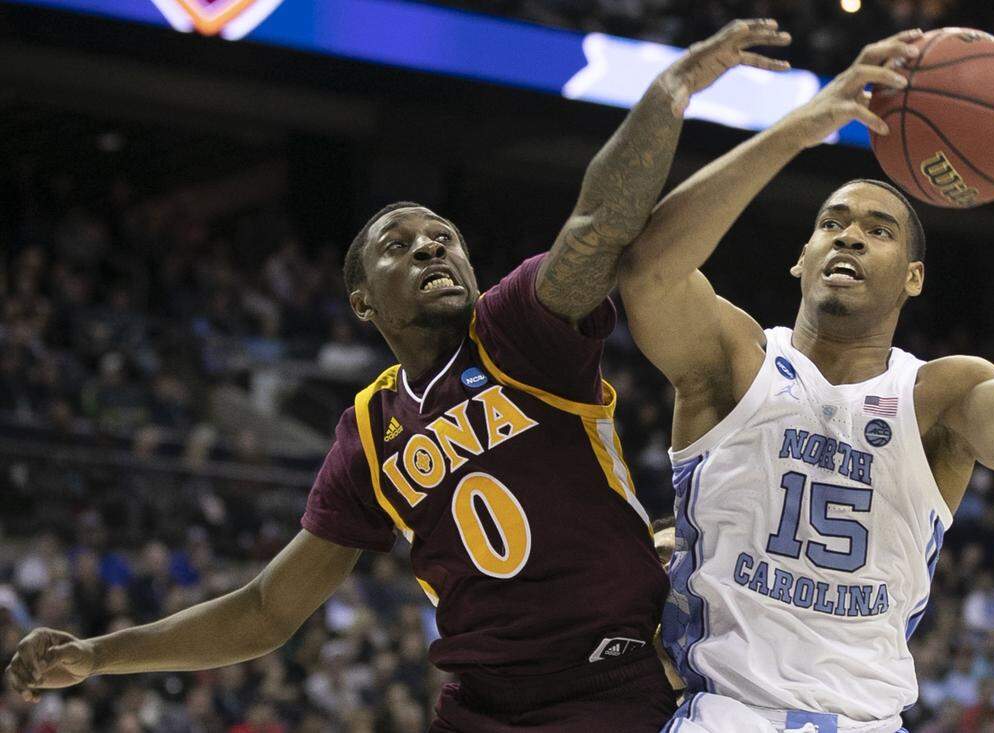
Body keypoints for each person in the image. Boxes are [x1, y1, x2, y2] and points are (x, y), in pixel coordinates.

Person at [4, 19, 795, 733]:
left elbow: (600, 226)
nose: (429, 248)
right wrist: (100, 656)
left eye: (444, 236)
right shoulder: (370, 432)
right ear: (360, 301)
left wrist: (670, 91)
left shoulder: (518, 326)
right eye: (398, 243)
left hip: (612, 685)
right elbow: (268, 609)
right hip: (481, 705)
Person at [618, 29, 994, 733]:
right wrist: (802, 127)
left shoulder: (940, 397)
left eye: (879, 228)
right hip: (727, 714)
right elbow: (647, 271)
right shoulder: (734, 360)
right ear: (800, 260)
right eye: (831, 223)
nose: (849, 235)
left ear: (913, 277)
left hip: (866, 719)